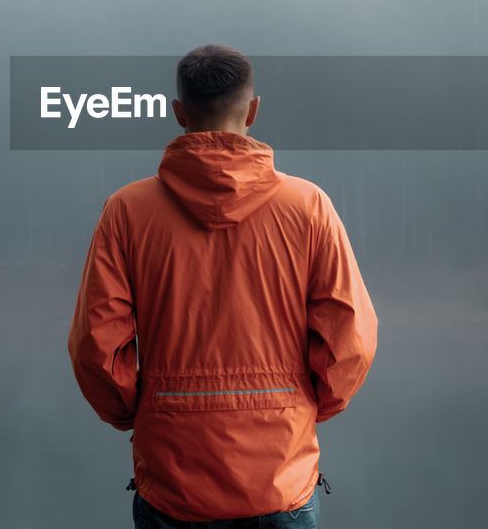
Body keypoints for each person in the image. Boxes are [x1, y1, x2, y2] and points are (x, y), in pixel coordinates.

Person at [68, 43, 378, 527]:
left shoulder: (126, 212)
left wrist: (136, 411)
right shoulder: (309, 206)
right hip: (281, 477)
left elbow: (96, 345)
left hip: (174, 482)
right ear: (253, 111)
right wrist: (306, 405)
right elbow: (350, 339)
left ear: (177, 113)